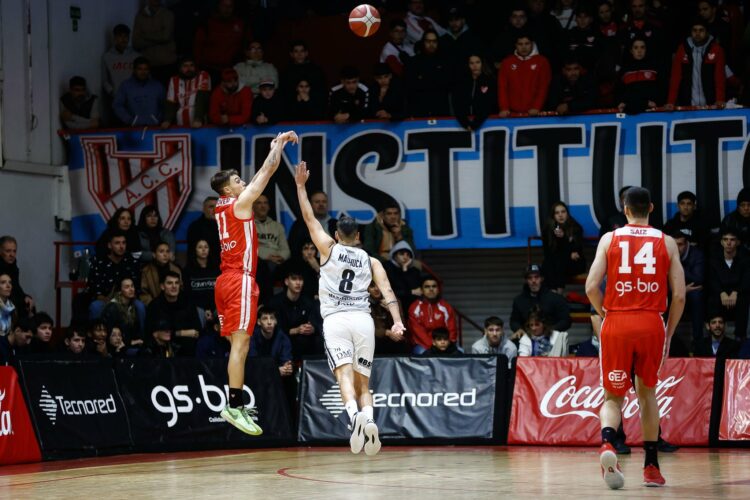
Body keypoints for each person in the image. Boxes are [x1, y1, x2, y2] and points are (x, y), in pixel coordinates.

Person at [293, 160, 405, 456]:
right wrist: (396, 321)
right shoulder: (372, 260)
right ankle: (369, 420)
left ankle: (354, 418)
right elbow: (388, 292)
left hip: (336, 321)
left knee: (343, 375)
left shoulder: (327, 249)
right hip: (363, 321)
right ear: (358, 237)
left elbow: (307, 217)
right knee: (363, 381)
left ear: (337, 234)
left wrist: (301, 186)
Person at [585, 186, 685, 489]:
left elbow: (591, 286)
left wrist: (606, 315)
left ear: (624, 209)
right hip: (651, 323)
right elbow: (679, 295)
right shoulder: (667, 242)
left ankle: (607, 444)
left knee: (612, 397)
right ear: (651, 208)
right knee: (647, 395)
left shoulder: (609, 239)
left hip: (617, 322)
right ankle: (651, 467)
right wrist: (668, 331)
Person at [210, 130, 298, 436]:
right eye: (237, 181)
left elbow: (257, 177)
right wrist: (277, 146)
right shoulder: (238, 204)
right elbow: (267, 172)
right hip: (240, 281)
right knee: (242, 345)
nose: (243, 183)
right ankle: (234, 406)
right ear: (228, 190)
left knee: (238, 344)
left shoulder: (221, 208)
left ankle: (234, 403)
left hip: (223, 280)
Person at [666, 19, 726, 110]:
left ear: (707, 32)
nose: (697, 33)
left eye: (701, 30)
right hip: (687, 105)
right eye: (694, 30)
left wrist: (720, 99)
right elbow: (675, 77)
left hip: (711, 104)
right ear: (691, 32)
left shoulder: (717, 49)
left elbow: (719, 77)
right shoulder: (682, 49)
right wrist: (671, 102)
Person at [266, 267, 323, 360]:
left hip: (303, 340)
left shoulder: (308, 302)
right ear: (286, 282)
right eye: (294, 279)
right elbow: (274, 328)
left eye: (300, 279)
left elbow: (315, 323)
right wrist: (296, 330)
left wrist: (312, 328)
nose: (298, 283)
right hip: (283, 338)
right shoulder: (275, 302)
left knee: (316, 339)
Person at [707, 228, 749, 340]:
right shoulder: (714, 259)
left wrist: (736, 292)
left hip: (738, 294)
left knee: (744, 300)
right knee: (712, 299)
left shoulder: (745, 259)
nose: (728, 243)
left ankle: (740, 337)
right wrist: (721, 293)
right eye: (725, 240)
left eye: (732, 240)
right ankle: (714, 335)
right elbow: (712, 279)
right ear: (721, 242)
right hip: (721, 294)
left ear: (738, 242)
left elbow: (746, 279)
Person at [145, 271, 201, 355]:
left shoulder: (188, 302)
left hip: (187, 346)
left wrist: (175, 333)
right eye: (169, 283)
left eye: (177, 283)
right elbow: (154, 334)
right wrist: (181, 333)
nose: (174, 286)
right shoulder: (154, 306)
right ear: (162, 286)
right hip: (162, 348)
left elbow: (196, 331)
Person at [88, 231, 142, 320]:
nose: (121, 246)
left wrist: (126, 299)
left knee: (140, 307)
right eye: (117, 243)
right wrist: (110, 301)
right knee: (95, 307)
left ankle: (141, 334)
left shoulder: (132, 262)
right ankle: (97, 333)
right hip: (105, 299)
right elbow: (94, 289)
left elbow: (137, 287)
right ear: (109, 245)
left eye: (123, 243)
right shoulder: (100, 263)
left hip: (128, 299)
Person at [497, 32, 551, 117]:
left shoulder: (542, 62)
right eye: (520, 44)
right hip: (512, 113)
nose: (524, 47)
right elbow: (502, 87)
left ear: (532, 44)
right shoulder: (507, 62)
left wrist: (536, 107)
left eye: (527, 43)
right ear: (515, 45)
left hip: (535, 112)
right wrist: (504, 108)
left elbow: (543, 86)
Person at [193, 0, 246, 83]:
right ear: (218, 6)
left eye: (230, 6)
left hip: (232, 71)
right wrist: (197, 68)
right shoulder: (207, 24)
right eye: (224, 5)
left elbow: (246, 45)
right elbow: (198, 47)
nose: (227, 9)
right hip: (208, 70)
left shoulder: (240, 24)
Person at [510, 264, 571, 335]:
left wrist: (550, 331)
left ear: (542, 278)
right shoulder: (519, 300)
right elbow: (514, 321)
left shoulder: (556, 299)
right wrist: (519, 329)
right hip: (527, 339)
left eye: (536, 277)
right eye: (530, 278)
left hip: (551, 338)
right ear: (526, 280)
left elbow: (566, 320)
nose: (533, 281)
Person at [403, 30, 452, 118]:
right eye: (428, 41)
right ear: (423, 42)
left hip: (441, 111)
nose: (431, 44)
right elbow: (409, 90)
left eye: (434, 41)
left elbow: (449, 87)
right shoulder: (413, 62)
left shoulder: (446, 62)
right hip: (419, 112)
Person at [253, 193, 291, 303]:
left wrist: (280, 257)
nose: (263, 206)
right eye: (259, 203)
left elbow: (286, 249)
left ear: (269, 207)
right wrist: (267, 257)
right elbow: (249, 249)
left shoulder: (277, 226)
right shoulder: (248, 225)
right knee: (263, 267)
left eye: (265, 203)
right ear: (253, 206)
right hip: (260, 262)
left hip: (277, 262)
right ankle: (266, 303)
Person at [541, 201, 586, 293]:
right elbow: (548, 252)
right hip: (556, 263)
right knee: (549, 263)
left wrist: (563, 238)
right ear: (553, 215)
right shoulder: (548, 229)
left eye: (563, 212)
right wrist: (567, 248)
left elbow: (577, 251)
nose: (560, 215)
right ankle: (555, 293)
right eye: (557, 213)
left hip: (574, 264)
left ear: (567, 213)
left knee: (558, 262)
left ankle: (555, 295)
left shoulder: (576, 228)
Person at [671, 231, 705, 350]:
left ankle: (698, 340)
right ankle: (666, 337)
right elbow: (661, 282)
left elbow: (698, 279)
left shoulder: (697, 255)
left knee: (697, 295)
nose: (677, 248)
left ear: (687, 244)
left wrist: (677, 265)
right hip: (674, 291)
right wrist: (681, 289)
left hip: (691, 291)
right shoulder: (665, 254)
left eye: (680, 244)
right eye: (674, 245)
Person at [408, 276, 458, 355]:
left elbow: (452, 329)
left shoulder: (446, 307)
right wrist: (433, 347)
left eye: (434, 286)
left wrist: (447, 345)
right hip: (423, 345)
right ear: (421, 290)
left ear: (438, 290)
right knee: (421, 353)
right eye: (427, 287)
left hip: (444, 343)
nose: (431, 289)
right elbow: (418, 333)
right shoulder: (414, 307)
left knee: (461, 352)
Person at [131, 0, 176, 84]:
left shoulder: (168, 14)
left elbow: (165, 37)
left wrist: (145, 36)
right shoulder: (140, 16)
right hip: (148, 65)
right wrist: (159, 39)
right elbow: (136, 43)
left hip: (168, 63)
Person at [616, 37, 664, 114]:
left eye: (642, 47)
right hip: (628, 111)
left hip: (650, 111)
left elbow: (661, 88)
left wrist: (656, 102)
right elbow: (618, 90)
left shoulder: (654, 68)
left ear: (646, 49)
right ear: (631, 51)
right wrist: (621, 102)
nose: (639, 51)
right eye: (636, 48)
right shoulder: (624, 70)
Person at [161, 55, 211, 128]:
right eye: (185, 66)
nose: (189, 69)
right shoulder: (174, 80)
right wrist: (167, 120)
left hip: (200, 123)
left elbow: (202, 98)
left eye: (191, 65)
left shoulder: (203, 75)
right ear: (180, 68)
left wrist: (198, 119)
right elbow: (171, 102)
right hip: (180, 123)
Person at [114, 57, 165, 127]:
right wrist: (130, 120)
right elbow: (117, 105)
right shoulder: (125, 85)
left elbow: (164, 105)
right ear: (134, 70)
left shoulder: (157, 86)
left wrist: (157, 119)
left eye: (146, 69)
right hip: (132, 129)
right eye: (139, 69)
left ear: (149, 70)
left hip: (154, 128)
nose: (143, 72)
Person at [452, 54, 497, 131]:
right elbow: (457, 103)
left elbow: (488, 104)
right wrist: (465, 123)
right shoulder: (462, 82)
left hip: (485, 123)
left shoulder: (490, 81)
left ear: (482, 63)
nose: (475, 65)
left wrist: (476, 123)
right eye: (471, 63)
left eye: (477, 62)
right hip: (464, 124)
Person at [287, 190, 338, 257]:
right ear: (310, 204)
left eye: (324, 202)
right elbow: (293, 248)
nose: (321, 204)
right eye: (317, 202)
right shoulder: (300, 224)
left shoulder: (336, 225)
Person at [183, 239, 220, 328]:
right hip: (197, 307)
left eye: (206, 247)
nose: (203, 250)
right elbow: (188, 294)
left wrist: (211, 309)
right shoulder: (188, 270)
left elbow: (221, 293)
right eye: (200, 247)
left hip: (215, 306)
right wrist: (204, 310)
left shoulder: (217, 269)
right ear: (195, 250)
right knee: (196, 312)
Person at [101, 276, 145, 348]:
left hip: (129, 344)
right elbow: (110, 336)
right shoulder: (112, 308)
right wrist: (130, 343)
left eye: (132, 286)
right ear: (120, 291)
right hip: (116, 348)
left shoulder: (133, 306)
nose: (131, 289)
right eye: (127, 287)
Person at [249, 306, 293, 378]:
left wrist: (287, 367)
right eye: (265, 319)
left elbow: (286, 359)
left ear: (276, 321)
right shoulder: (252, 337)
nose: (269, 322)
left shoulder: (283, 337)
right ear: (259, 322)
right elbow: (253, 364)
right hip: (257, 376)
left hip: (278, 377)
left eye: (272, 318)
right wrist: (274, 371)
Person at [102, 24, 140, 107]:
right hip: (116, 97)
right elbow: (105, 80)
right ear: (115, 38)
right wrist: (112, 92)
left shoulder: (136, 56)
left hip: (135, 97)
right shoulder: (108, 57)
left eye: (126, 36)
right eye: (120, 36)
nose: (123, 39)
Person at [369, 282, 409, 355]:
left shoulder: (394, 301)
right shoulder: (363, 304)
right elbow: (366, 328)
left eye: (379, 285)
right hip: (375, 339)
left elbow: (402, 326)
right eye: (372, 286)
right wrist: (386, 332)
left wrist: (391, 311)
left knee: (400, 339)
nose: (376, 289)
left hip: (393, 338)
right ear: (367, 289)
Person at [0, 235, 34, 317]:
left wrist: (25, 297)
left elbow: (16, 286)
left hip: (11, 298)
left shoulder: (13, 266)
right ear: (0, 251)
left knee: (29, 304)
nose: (12, 254)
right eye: (8, 251)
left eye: (14, 251)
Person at [383, 240, 422, 309]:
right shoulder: (387, 267)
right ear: (394, 255)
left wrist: (405, 270)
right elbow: (392, 290)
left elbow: (417, 291)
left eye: (408, 255)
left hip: (410, 305)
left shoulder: (414, 271)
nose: (405, 257)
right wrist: (410, 292)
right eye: (402, 254)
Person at [720, 187, 750, 251]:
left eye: (749, 205)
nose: (746, 208)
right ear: (738, 206)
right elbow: (720, 243)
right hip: (735, 255)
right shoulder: (729, 220)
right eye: (742, 205)